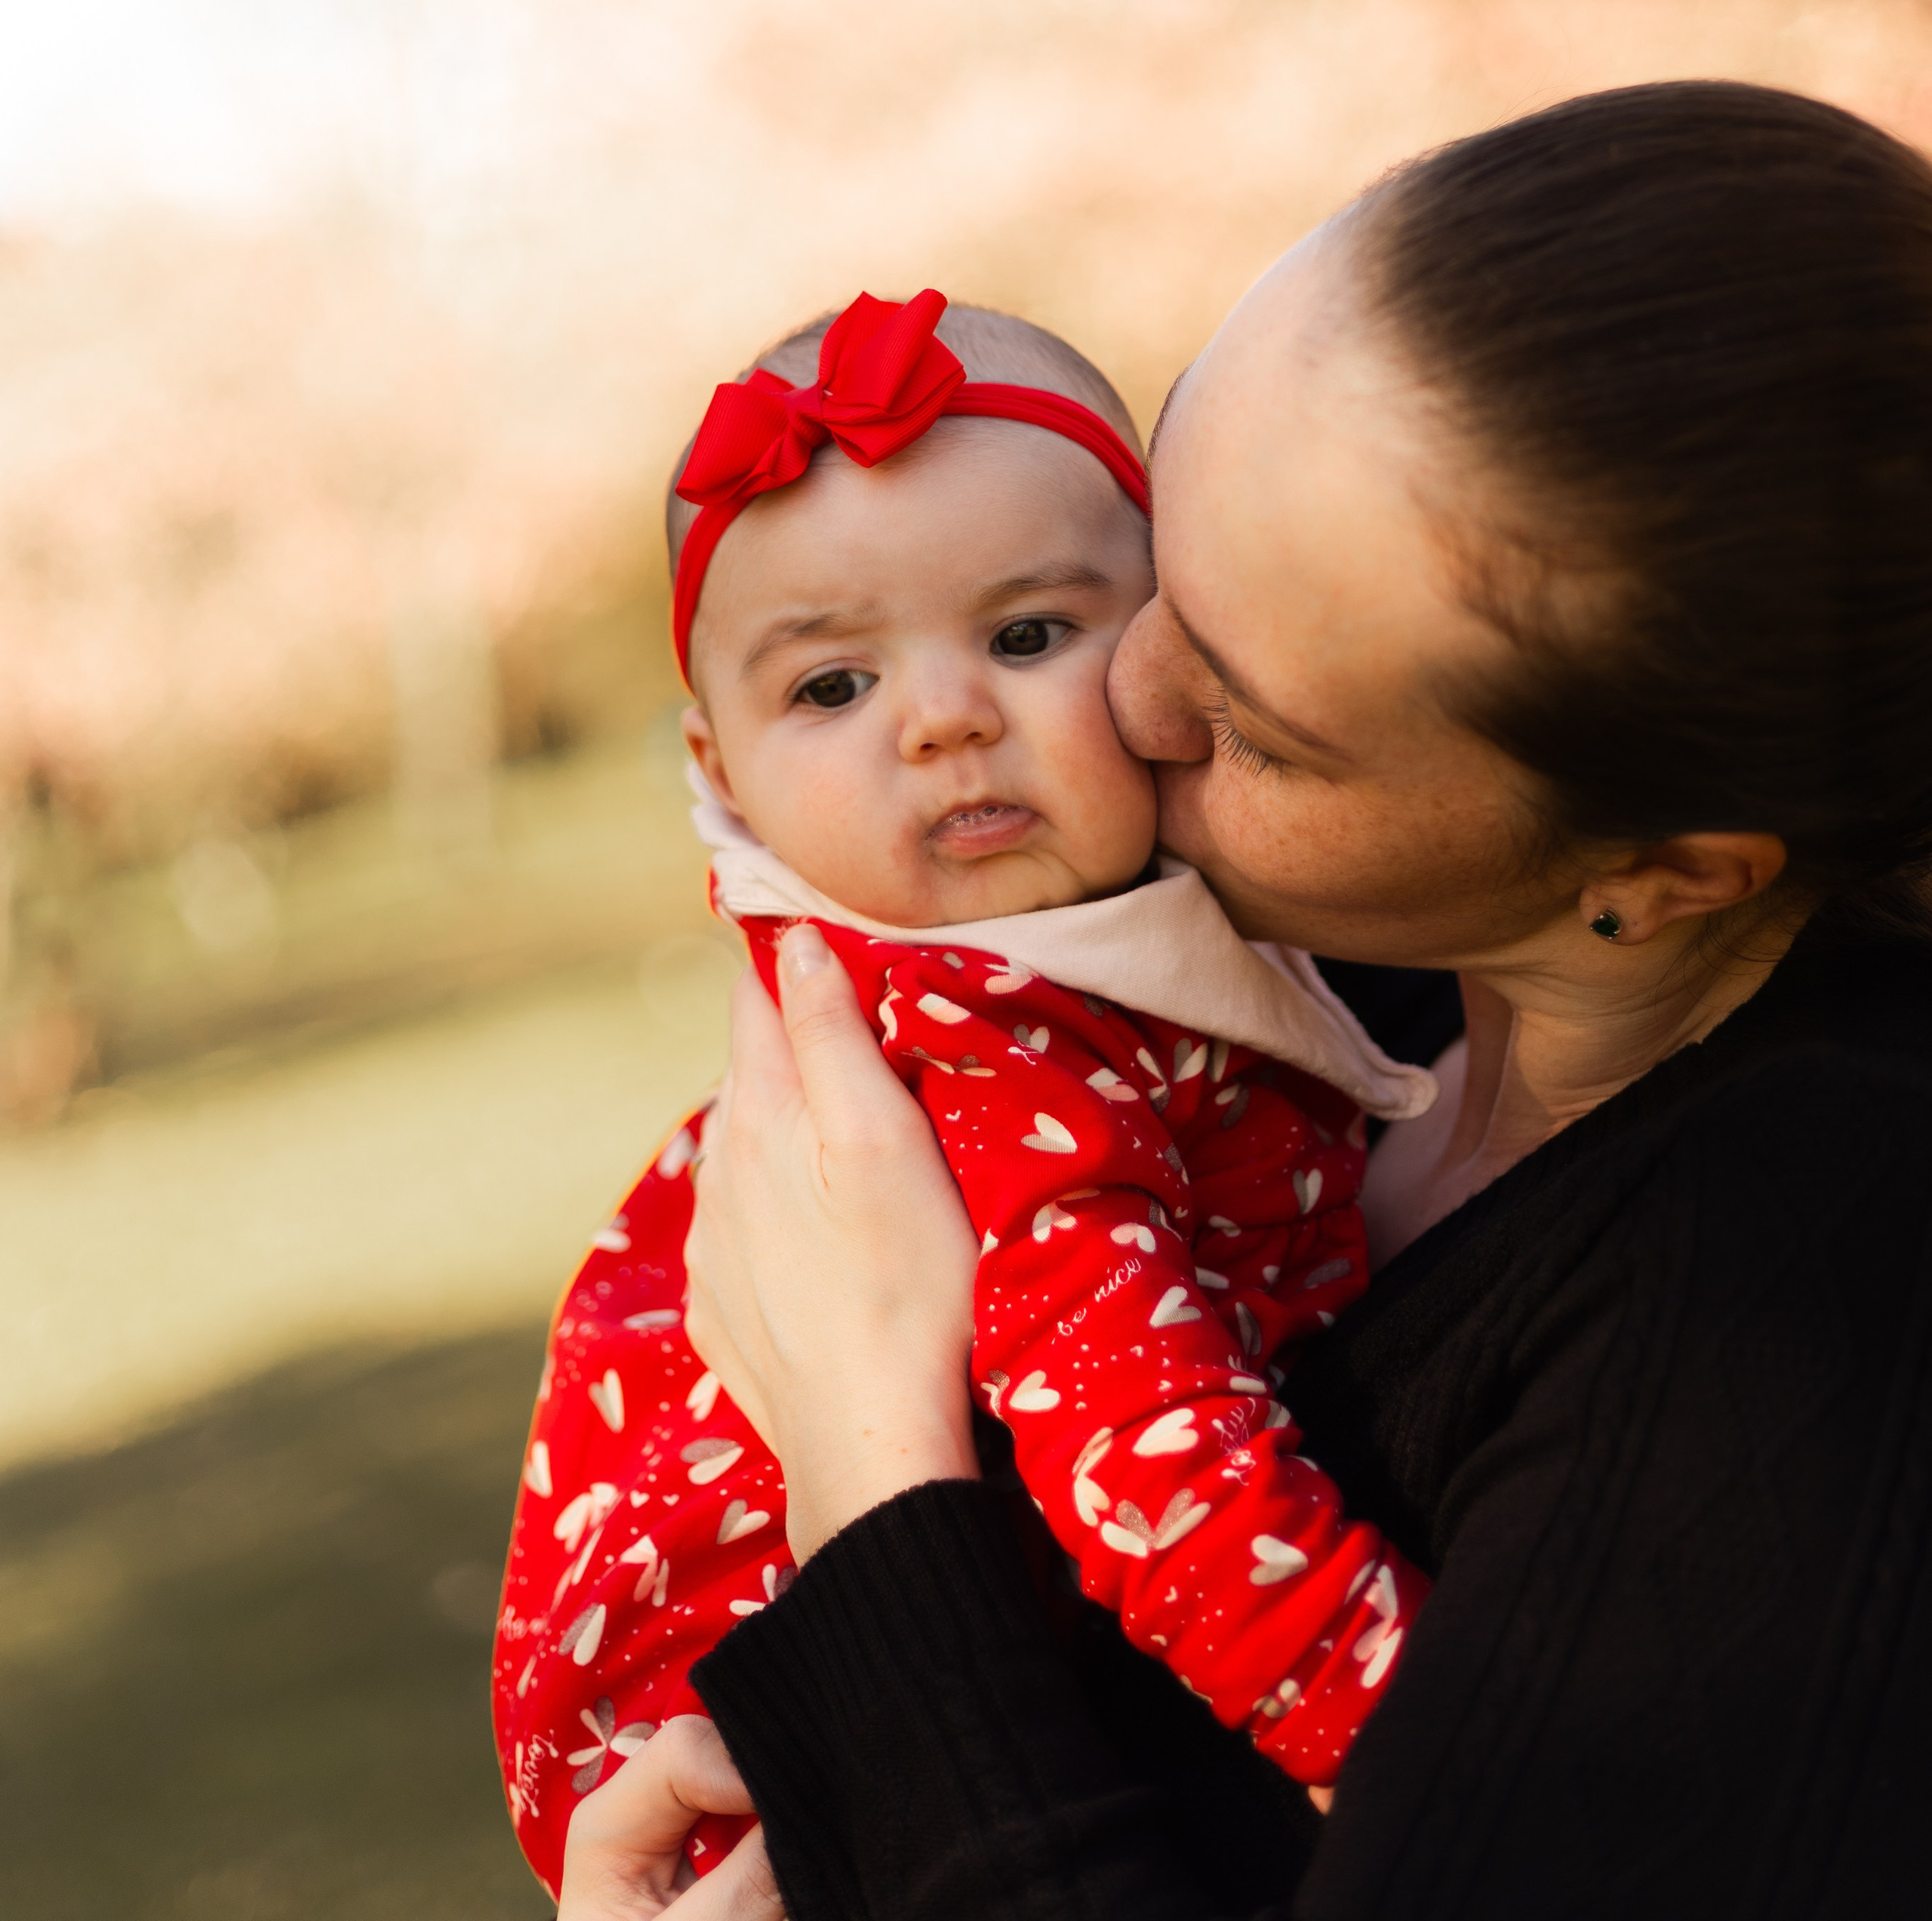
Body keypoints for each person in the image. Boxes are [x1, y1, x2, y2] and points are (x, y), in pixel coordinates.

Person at [569, 80, 1932, 1920]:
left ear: (1668, 869)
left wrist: (867, 1458)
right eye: (1166, 568)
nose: (1117, 702)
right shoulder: (1277, 979)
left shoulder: (1792, 1345)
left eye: (1248, 719)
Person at [494, 290, 1439, 1893]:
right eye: (830, 689)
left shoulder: (1103, 966)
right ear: (716, 775)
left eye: (1022, 636)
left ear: (1171, 644)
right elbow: (1156, 1469)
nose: (944, 719)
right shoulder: (973, 1049)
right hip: (765, 1746)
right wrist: (1418, 1740)